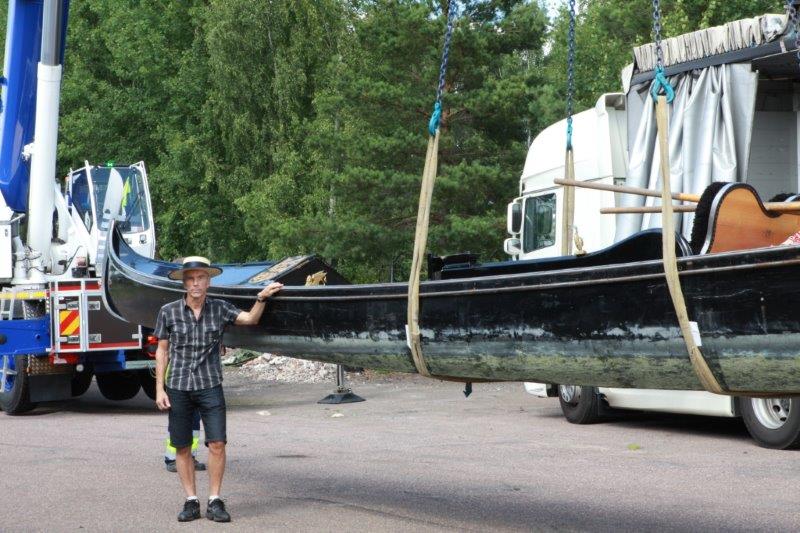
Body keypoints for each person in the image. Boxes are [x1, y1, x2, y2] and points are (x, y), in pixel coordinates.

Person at [153, 256, 283, 523]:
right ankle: (191, 500)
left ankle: (214, 500)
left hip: (210, 385)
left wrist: (261, 298)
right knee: (182, 446)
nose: (195, 283)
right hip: (178, 386)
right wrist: (159, 390)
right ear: (184, 283)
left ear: (208, 281)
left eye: (200, 278)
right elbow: (162, 351)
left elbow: (249, 320)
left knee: (217, 444)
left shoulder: (220, 308)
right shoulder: (168, 311)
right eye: (190, 279)